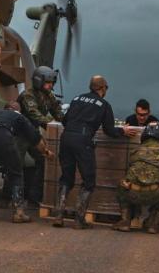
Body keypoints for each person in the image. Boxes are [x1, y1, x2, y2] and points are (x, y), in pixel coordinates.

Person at [51, 74, 126, 229]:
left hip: (66, 138)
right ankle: (79, 220)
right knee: (89, 180)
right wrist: (123, 131)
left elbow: (64, 120)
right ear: (103, 88)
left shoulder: (77, 99)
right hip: (83, 141)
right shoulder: (104, 104)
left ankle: (58, 216)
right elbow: (109, 130)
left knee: (66, 177)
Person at [0, 101, 46, 223]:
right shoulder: (19, 116)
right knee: (16, 172)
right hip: (3, 136)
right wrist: (46, 152)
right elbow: (35, 139)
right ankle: (19, 213)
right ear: (17, 110)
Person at [114, 122, 159, 233]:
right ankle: (152, 224)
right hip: (154, 194)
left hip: (132, 192)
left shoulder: (136, 149)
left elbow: (130, 169)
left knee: (122, 185)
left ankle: (125, 222)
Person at [17, 66, 63, 206]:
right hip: (20, 133)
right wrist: (52, 123)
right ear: (39, 81)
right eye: (48, 82)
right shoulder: (27, 95)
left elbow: (58, 112)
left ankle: (34, 197)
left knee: (43, 161)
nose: (51, 85)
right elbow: (34, 114)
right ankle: (9, 198)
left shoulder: (49, 95)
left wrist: (67, 122)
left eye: (52, 83)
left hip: (33, 134)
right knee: (15, 164)